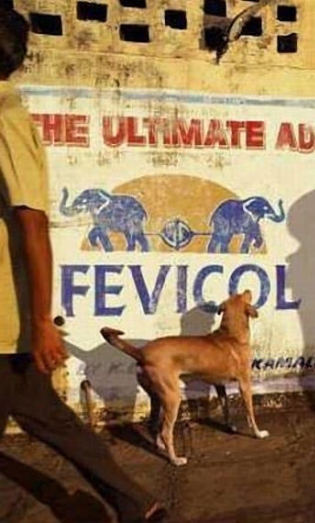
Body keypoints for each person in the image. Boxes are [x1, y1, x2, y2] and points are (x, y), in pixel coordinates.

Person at [0, 9, 166, 522]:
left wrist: (41, 323)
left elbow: (32, 223)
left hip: (5, 322)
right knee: (48, 417)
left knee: (48, 416)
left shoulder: (4, 118)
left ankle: (135, 501)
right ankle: (135, 502)